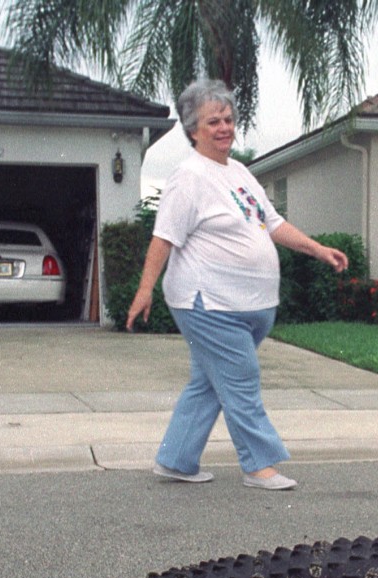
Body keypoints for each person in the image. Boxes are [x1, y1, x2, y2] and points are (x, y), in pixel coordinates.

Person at [127, 78, 348, 491]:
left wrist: (318, 249)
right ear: (193, 129)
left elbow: (273, 223)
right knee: (241, 377)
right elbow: (164, 238)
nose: (224, 127)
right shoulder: (189, 177)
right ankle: (259, 465)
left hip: (251, 305)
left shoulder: (240, 172)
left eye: (228, 119)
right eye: (213, 121)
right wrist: (144, 291)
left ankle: (176, 460)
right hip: (208, 302)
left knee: (209, 383)